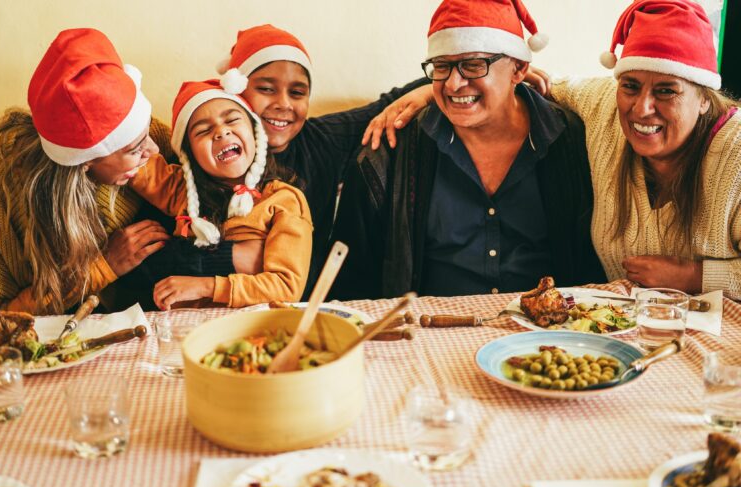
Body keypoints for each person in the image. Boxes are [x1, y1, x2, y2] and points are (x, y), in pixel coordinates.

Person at [329, 0, 606, 300]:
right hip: (424, 338)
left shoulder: (572, 142)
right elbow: (350, 287)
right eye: (442, 66)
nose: (454, 83)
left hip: (547, 338)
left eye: (473, 65)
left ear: (519, 69)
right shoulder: (393, 152)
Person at [538, 0, 741, 297]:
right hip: (620, 332)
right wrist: (521, 80)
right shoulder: (605, 105)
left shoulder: (736, 152)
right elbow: (557, 83)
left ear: (705, 100)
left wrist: (694, 276)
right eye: (630, 86)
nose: (642, 109)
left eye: (666, 90)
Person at [213, 25, 431, 295]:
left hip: (305, 310)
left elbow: (401, 98)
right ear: (236, 90)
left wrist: (427, 93)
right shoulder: (208, 150)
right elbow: (167, 254)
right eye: (267, 89)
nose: (284, 104)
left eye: (297, 93)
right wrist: (230, 256)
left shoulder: (322, 141)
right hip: (220, 305)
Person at [0, 28, 172, 318]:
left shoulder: (138, 133)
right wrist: (102, 267)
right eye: (135, 148)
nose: (154, 151)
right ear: (85, 162)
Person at [129, 74, 312, 310]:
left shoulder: (284, 200)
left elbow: (286, 287)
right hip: (185, 326)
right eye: (203, 131)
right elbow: (131, 157)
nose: (221, 132)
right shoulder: (180, 189)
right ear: (189, 154)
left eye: (232, 120)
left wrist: (205, 286)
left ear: (256, 134)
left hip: (252, 326)